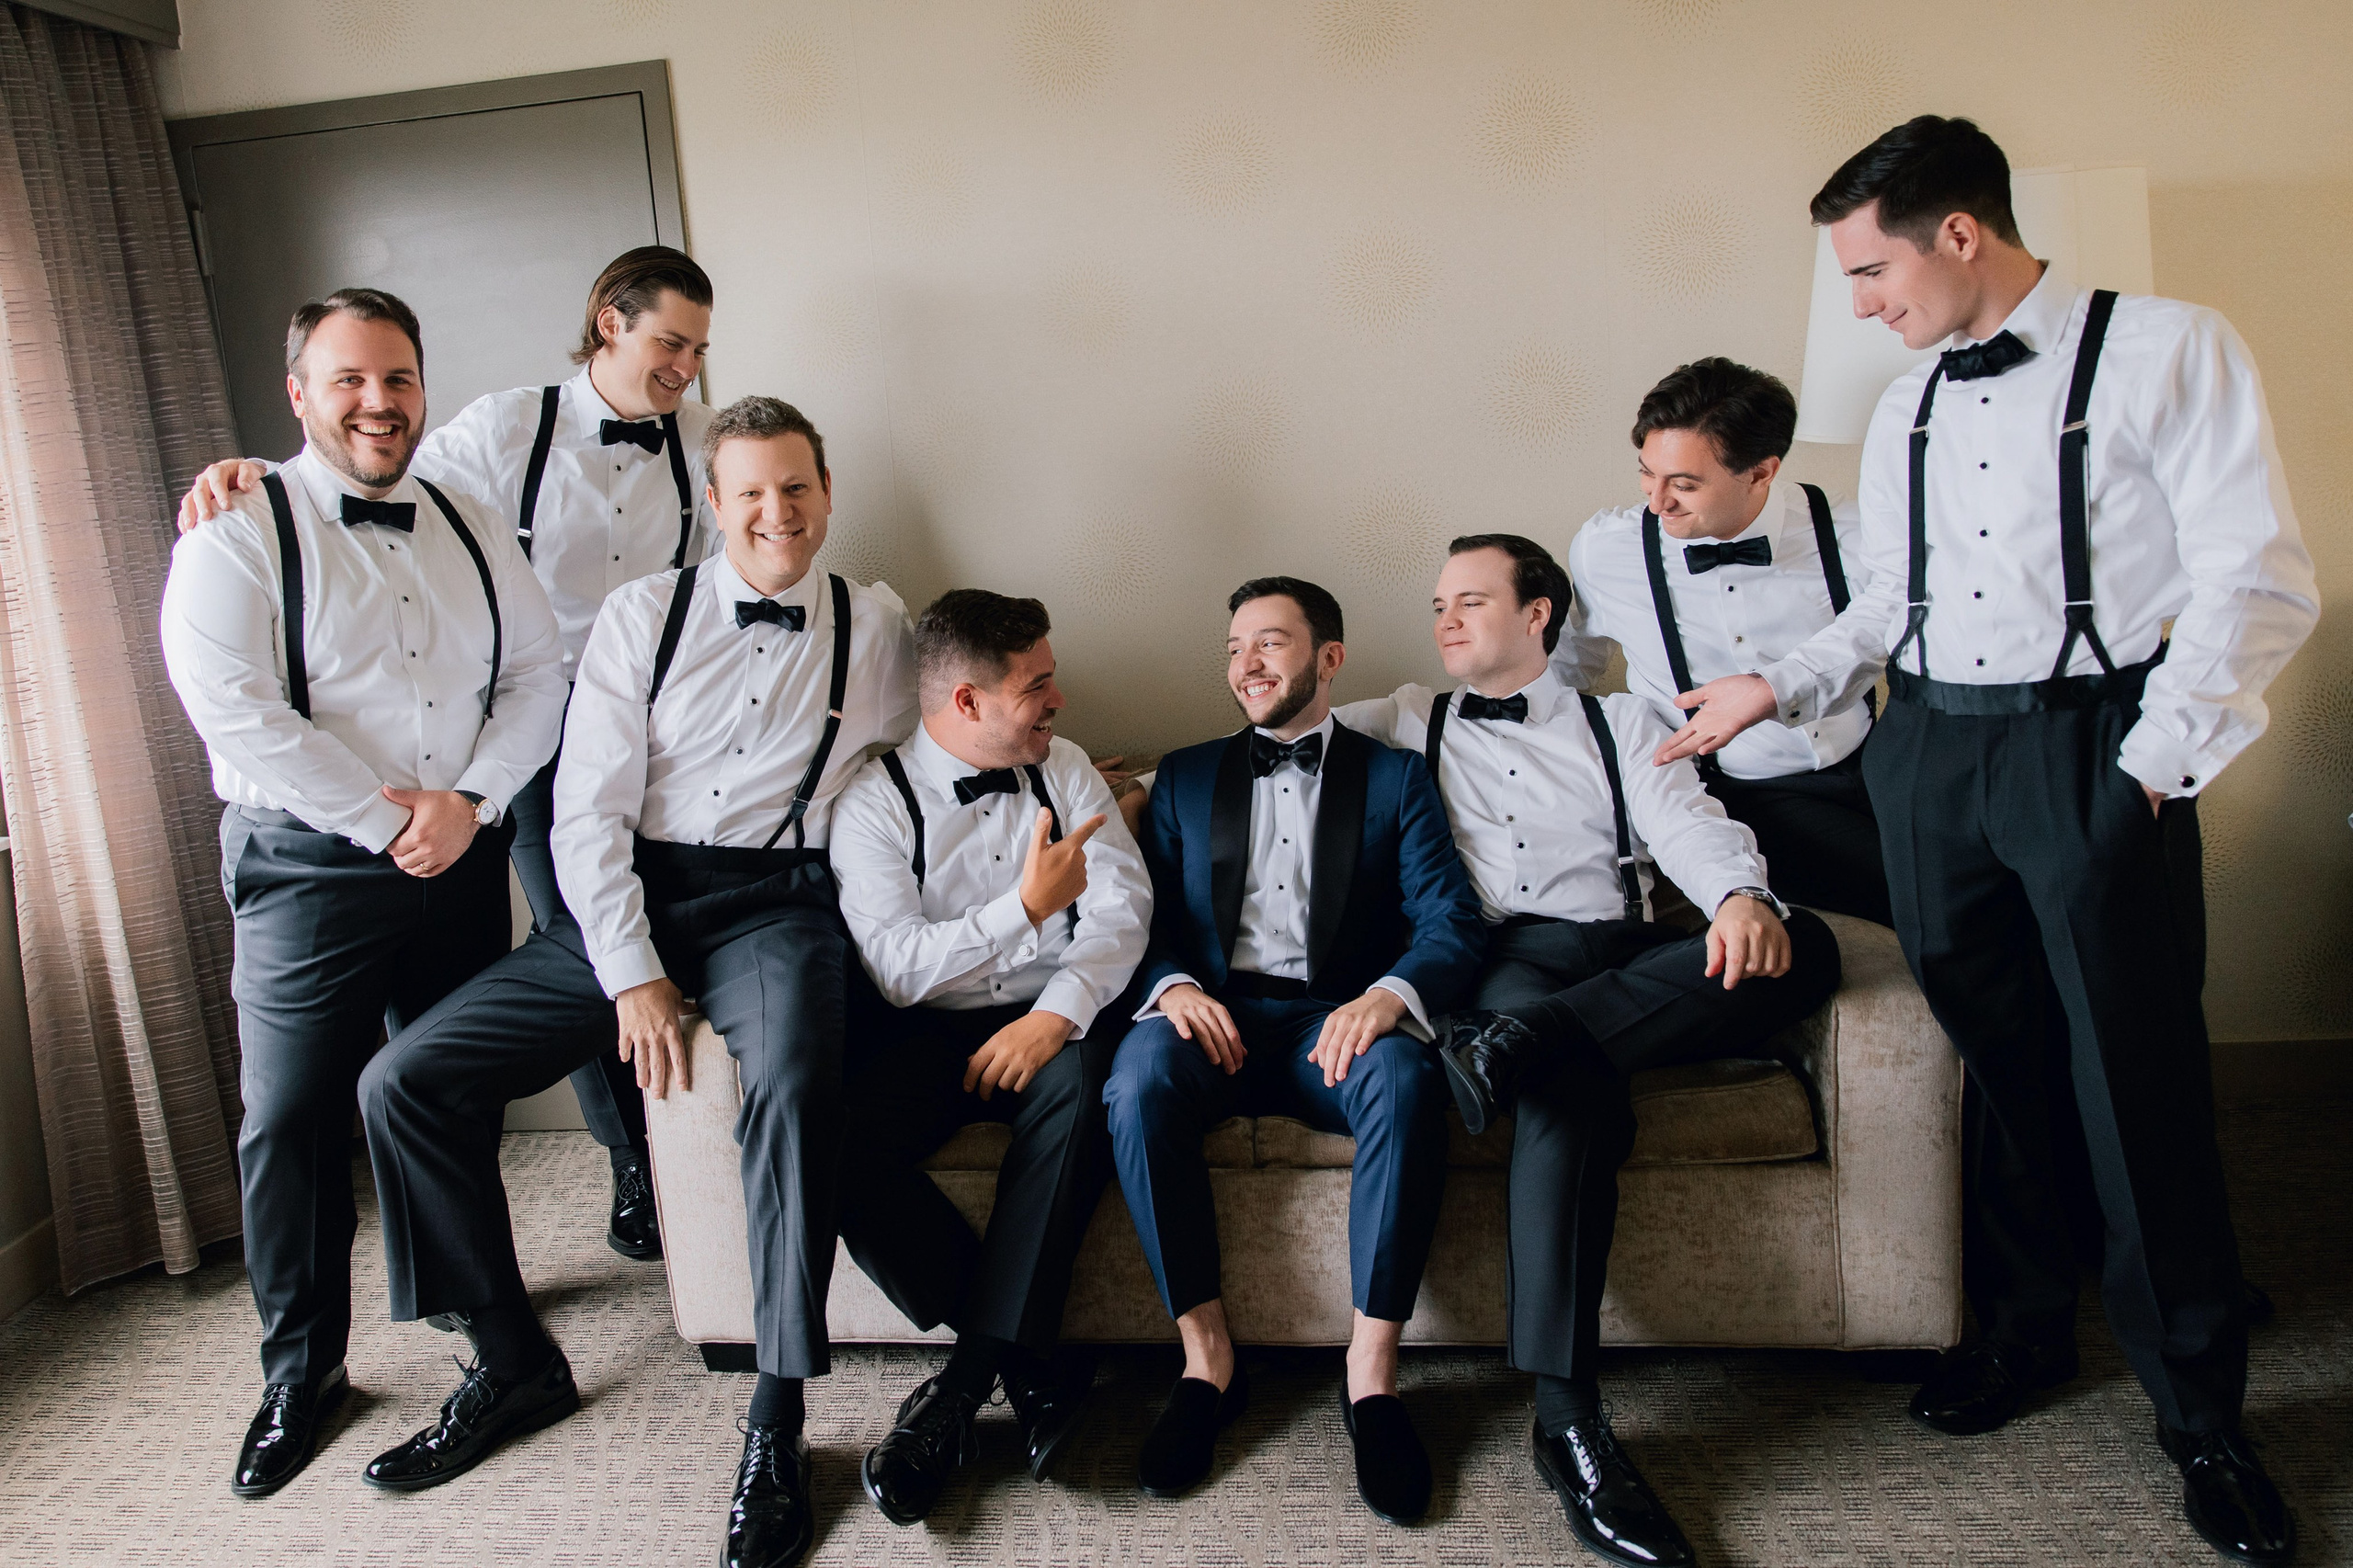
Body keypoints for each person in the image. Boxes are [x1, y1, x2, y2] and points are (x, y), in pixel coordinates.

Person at [1811, 116, 2317, 1564]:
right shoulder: (1905, 402)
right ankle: (2030, 1333)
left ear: (1957, 232)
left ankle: (2204, 1411)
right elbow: (1885, 608)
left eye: (1869, 270)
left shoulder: (2169, 347)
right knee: (2003, 1063)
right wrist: (1782, 684)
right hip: (1930, 752)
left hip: (2093, 744)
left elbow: (2258, 578)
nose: (1860, 304)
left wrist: (2149, 769)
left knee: (2132, 1077)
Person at [354, 397, 915, 1568]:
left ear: (827, 491)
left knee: (800, 1083)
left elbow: (920, 767)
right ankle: (511, 1362)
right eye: (750, 491)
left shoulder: (877, 623)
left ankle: (777, 1415)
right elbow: (585, 810)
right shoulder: (639, 613)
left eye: (796, 488)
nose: (776, 512)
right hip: (639, 892)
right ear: (714, 504)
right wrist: (634, 976)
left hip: (782, 903)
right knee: (404, 1079)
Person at [181, 246, 721, 1259]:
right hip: (517, 752)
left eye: (697, 347)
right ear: (611, 320)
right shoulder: (504, 428)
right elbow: (365, 491)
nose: (686, 365)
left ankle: (633, 1182)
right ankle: (631, 1164)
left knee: (639, 943)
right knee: (579, 944)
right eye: (670, 341)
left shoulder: (701, 444)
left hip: (637, 738)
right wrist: (249, 472)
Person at [1337, 534, 1839, 1568]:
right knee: (1566, 1096)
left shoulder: (1622, 719)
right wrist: (1127, 798)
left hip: (1624, 947)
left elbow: (1687, 820)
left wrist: (1739, 896)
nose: (1444, 618)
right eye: (1439, 601)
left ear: (1539, 614)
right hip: (1504, 957)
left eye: (1470, 599)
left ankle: (1514, 1048)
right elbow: (1270, 745)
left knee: (1806, 944)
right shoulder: (1402, 718)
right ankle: (1568, 1421)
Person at [157, 288, 567, 1498]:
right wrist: (393, 817)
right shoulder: (234, 530)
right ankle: (303, 1371)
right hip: (308, 867)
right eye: (348, 379)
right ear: (298, 392)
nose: (379, 402)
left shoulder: (472, 518)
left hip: (460, 852)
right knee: (287, 1119)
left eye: (397, 377)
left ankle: (475, 1320)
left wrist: (474, 803)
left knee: (441, 1097)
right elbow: (237, 710)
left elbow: (538, 676)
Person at [1103, 576, 1484, 1525]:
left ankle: (1372, 1378)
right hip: (1212, 1016)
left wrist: (1387, 996)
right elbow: (1128, 916)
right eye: (1233, 647)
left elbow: (1451, 920)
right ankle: (1207, 1360)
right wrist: (1174, 987)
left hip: (1332, 1020)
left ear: (1329, 657)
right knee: (1136, 1077)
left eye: (1269, 643)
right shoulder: (1185, 777)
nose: (1246, 666)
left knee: (1404, 1077)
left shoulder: (1394, 778)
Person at [828, 589, 1151, 1523]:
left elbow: (1124, 911)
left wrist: (1057, 1012)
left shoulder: (1070, 768)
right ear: (966, 701)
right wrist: (1024, 908)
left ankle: (959, 1388)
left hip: (1055, 1019)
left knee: (1086, 1087)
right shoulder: (873, 802)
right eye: (1036, 684)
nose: (1059, 698)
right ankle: (1030, 1358)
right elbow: (895, 968)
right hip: (931, 1024)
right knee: (832, 1136)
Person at [1556, 358, 1893, 924]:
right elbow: (1568, 670)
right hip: (1743, 794)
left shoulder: (1853, 532)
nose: (1657, 501)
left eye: (1684, 484)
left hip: (1876, 761)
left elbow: (1897, 625)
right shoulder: (1607, 552)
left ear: (1761, 472)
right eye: (1647, 474)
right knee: (1930, 893)